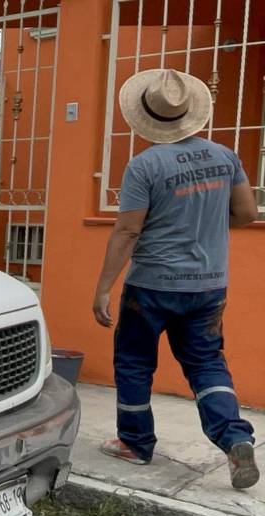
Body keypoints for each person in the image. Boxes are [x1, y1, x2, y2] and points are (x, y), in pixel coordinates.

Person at [92, 69, 259, 489]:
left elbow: (128, 231)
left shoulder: (144, 166)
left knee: (134, 362)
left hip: (151, 286)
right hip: (208, 285)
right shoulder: (225, 156)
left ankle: (135, 442)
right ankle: (235, 438)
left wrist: (103, 287)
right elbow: (246, 215)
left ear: (145, 117)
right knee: (206, 363)